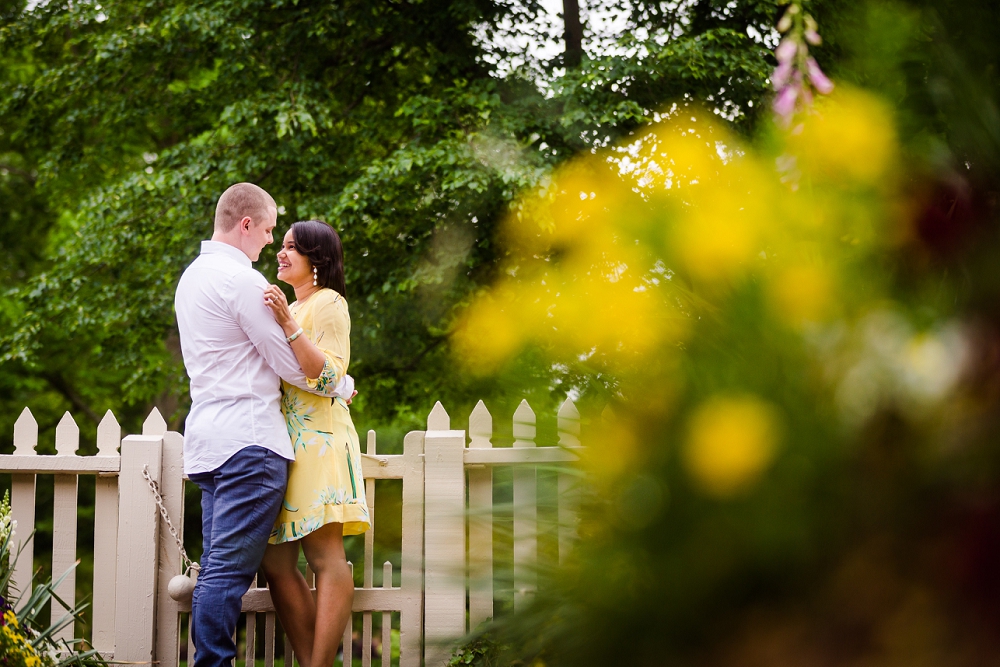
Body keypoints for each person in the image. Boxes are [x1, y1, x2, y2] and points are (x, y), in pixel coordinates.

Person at [174, 184, 352, 667]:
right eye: (271, 231)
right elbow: (291, 367)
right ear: (246, 224)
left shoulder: (191, 278)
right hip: (249, 443)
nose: (271, 244)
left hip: (208, 443)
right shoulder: (245, 282)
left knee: (221, 569)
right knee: (226, 575)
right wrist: (343, 382)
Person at [259, 219, 370, 667]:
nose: (281, 253)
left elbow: (328, 377)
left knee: (325, 558)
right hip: (285, 443)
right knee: (276, 563)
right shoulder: (293, 305)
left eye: (291, 248)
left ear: (316, 260)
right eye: (281, 245)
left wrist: (287, 321)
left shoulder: (329, 304)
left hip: (320, 441)